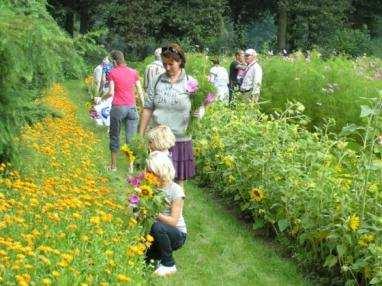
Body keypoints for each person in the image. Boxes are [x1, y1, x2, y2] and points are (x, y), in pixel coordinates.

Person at [139, 43, 197, 186]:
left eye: (171, 64)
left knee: (177, 185)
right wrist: (140, 135)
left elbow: (198, 107)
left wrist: (202, 108)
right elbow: (147, 108)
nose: (167, 68)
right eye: (165, 64)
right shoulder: (157, 80)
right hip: (158, 140)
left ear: (180, 61)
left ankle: (177, 209)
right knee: (155, 182)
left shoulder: (191, 82)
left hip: (180, 139)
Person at [145, 151, 187, 277]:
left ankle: (169, 264)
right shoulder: (150, 186)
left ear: (161, 171)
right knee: (144, 259)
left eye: (152, 172)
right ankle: (157, 258)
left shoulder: (176, 191)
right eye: (148, 171)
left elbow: (173, 221)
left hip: (176, 234)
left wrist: (155, 214)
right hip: (157, 231)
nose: (148, 175)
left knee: (157, 226)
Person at [104, 50, 144, 171]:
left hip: (118, 108)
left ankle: (113, 166)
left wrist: (101, 97)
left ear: (114, 61)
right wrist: (143, 106)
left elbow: (111, 92)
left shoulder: (112, 73)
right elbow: (140, 91)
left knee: (114, 136)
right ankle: (130, 167)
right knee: (130, 138)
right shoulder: (134, 72)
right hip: (132, 108)